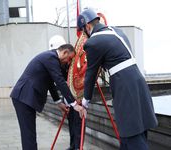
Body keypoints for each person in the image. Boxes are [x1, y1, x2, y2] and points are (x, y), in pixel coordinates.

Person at [78, 9, 158, 150]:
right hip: (138, 81)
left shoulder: (93, 42)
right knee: (138, 129)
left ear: (88, 26)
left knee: (132, 133)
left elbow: (90, 73)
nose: (85, 35)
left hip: (124, 86)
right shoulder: (117, 31)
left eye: (84, 31)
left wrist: (85, 101)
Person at [10, 43, 87, 150]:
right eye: (69, 59)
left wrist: (58, 102)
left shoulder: (51, 58)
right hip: (24, 97)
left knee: (29, 134)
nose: (68, 63)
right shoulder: (51, 58)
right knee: (28, 135)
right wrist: (74, 104)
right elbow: (59, 81)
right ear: (65, 52)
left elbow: (51, 83)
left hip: (25, 97)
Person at [49, 35, 82, 150]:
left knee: (77, 123)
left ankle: (78, 146)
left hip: (76, 97)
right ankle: (72, 145)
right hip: (68, 97)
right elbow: (57, 81)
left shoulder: (72, 61)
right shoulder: (58, 63)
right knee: (71, 122)